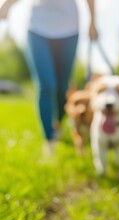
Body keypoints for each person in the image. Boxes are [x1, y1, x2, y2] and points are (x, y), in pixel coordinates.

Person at [0, 0, 98, 153]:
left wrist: (92, 21)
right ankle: (50, 139)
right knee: (47, 84)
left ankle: (57, 124)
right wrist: (7, 5)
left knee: (62, 87)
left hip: (69, 29)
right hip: (38, 28)